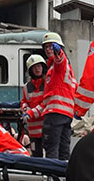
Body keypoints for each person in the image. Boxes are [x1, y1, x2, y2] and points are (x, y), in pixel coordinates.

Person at [25, 32, 77, 160]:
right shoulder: (57, 69)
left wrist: (58, 53)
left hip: (54, 113)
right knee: (64, 150)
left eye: (51, 46)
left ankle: (51, 173)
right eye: (46, 47)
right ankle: (64, 172)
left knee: (51, 149)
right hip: (65, 114)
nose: (48, 49)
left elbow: (60, 61)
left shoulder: (58, 66)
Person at [21, 55, 46, 156]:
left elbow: (46, 103)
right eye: (34, 67)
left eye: (39, 66)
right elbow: (24, 102)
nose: (37, 69)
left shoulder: (47, 84)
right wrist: (25, 109)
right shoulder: (26, 87)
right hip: (33, 131)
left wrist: (31, 113)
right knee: (36, 155)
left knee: (48, 155)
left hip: (46, 127)